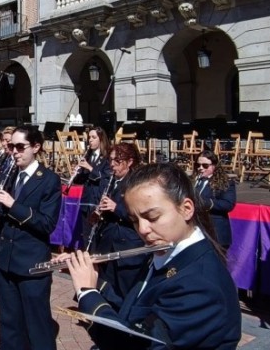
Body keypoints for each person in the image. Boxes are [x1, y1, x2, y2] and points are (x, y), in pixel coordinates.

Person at [63, 162, 241, 349]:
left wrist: (88, 294)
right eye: (134, 220)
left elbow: (138, 344)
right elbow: (136, 311)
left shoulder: (200, 284)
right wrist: (94, 279)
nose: (142, 229)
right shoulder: (166, 252)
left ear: (186, 209)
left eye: (153, 217)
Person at [0, 127, 61, 349]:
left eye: (21, 147)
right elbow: (4, 214)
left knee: (38, 327)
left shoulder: (49, 180)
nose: (15, 152)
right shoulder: (12, 175)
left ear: (36, 147)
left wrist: (13, 205)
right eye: (12, 147)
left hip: (32, 265)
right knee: (9, 325)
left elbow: (46, 224)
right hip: (7, 262)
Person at [90, 142, 146, 293]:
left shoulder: (137, 184)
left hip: (126, 246)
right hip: (107, 243)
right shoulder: (111, 180)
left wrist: (116, 208)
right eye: (111, 160)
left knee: (123, 292)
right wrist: (97, 213)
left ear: (130, 162)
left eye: (117, 161)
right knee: (106, 290)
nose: (112, 165)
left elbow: (141, 214)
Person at [74, 127, 112, 250]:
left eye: (93, 137)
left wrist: (90, 168)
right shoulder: (88, 156)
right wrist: (77, 172)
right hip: (86, 199)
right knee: (85, 234)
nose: (90, 140)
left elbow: (106, 178)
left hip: (97, 199)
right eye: (89, 138)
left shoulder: (107, 157)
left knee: (96, 235)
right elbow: (79, 181)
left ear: (101, 139)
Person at [194, 149, 236, 249]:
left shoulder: (226, 182)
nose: (200, 168)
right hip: (197, 232)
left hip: (216, 232)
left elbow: (228, 204)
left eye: (205, 165)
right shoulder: (194, 180)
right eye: (198, 165)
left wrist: (207, 203)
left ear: (214, 165)